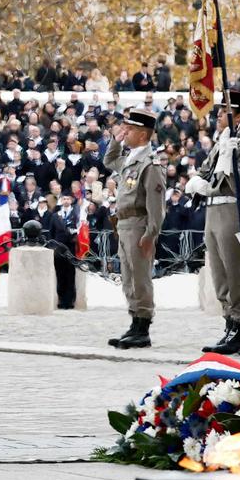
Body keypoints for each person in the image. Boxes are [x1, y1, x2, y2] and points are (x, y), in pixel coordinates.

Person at [186, 92, 240, 353]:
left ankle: (239, 326)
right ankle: (229, 322)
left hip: (230, 209)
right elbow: (205, 170)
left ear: (239, 117)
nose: (218, 116)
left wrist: (227, 166)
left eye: (224, 112)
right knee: (219, 273)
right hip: (213, 211)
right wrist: (198, 182)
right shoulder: (220, 144)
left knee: (234, 270)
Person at [104, 108, 164, 348]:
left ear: (142, 134)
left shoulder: (150, 164)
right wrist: (114, 141)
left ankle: (143, 325)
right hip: (125, 223)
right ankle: (134, 321)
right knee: (128, 277)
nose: (124, 132)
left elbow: (156, 206)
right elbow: (109, 160)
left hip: (139, 224)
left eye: (129, 129)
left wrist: (151, 234)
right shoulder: (130, 160)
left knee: (140, 277)